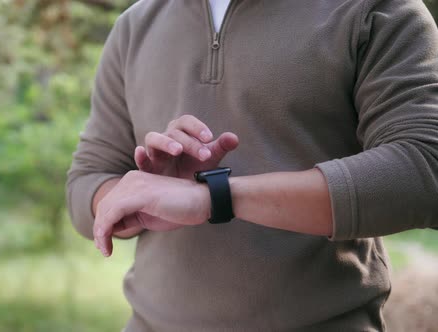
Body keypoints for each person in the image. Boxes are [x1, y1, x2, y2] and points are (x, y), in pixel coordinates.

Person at [66, 0, 438, 330]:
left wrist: (214, 197)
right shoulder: (136, 25)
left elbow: (424, 169)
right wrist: (141, 196)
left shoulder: (373, 9)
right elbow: (87, 182)